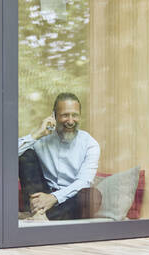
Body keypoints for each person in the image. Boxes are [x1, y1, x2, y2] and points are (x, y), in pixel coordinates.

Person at [18, 93, 102, 221]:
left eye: (75, 115)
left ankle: (37, 215)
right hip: (40, 194)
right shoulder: (42, 139)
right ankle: (39, 213)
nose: (70, 121)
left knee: (92, 195)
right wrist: (36, 135)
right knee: (26, 154)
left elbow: (84, 181)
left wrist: (53, 198)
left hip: (69, 200)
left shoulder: (90, 144)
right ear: (54, 116)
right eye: (65, 115)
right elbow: (7, 157)